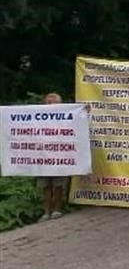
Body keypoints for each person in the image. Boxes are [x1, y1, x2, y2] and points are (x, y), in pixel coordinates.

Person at [36, 92, 72, 220]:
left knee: (59, 185)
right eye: (47, 102)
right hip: (42, 157)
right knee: (45, 185)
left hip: (60, 156)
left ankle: (57, 209)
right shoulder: (37, 117)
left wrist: (84, 112)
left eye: (53, 103)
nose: (50, 105)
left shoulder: (68, 117)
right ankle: (46, 212)